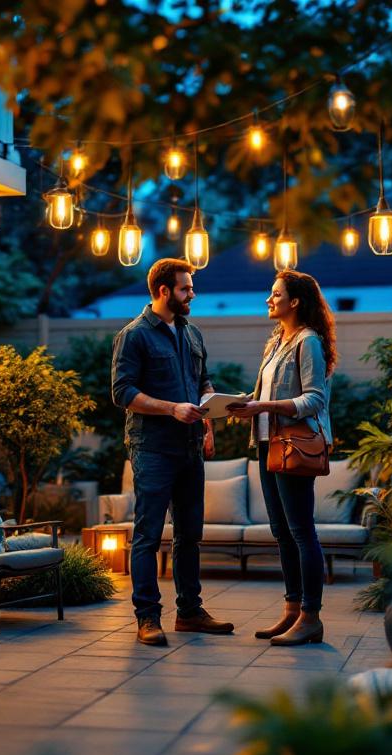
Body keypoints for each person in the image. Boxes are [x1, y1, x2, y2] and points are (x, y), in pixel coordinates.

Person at [111, 258, 235, 646]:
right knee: (148, 535)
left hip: (190, 448)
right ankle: (147, 617)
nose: (192, 294)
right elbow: (123, 393)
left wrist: (209, 419)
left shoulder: (193, 333)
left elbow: (202, 381)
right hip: (153, 449)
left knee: (189, 535)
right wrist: (172, 408)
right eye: (186, 288)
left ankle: (190, 612)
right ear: (164, 291)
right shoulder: (133, 336)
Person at [227, 270, 336, 646]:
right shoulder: (275, 341)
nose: (268, 300)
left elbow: (315, 399)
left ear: (295, 302)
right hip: (266, 444)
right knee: (282, 533)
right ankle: (291, 611)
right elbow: (265, 393)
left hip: (293, 445)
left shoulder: (309, 343)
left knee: (302, 532)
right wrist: (240, 404)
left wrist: (264, 405)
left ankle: (311, 617)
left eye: (275, 294)